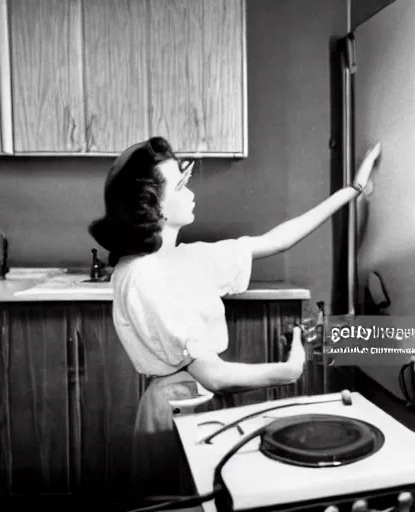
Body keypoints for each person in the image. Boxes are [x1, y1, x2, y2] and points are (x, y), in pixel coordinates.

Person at [88, 136, 381, 503]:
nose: (191, 191)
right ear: (154, 206)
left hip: (207, 404)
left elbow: (277, 240)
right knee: (184, 503)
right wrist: (287, 371)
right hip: (174, 412)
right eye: (181, 185)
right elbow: (212, 374)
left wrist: (352, 190)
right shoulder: (140, 275)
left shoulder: (190, 257)